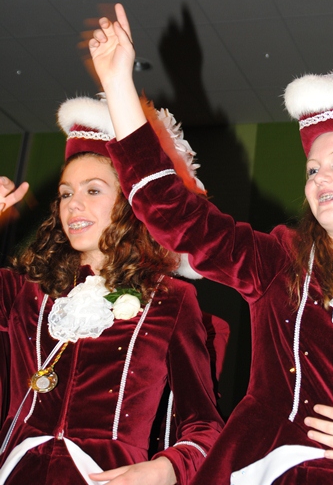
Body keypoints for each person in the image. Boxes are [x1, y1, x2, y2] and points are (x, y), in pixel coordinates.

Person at [88, 3, 333, 485]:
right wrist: (119, 84)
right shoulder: (279, 261)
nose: (319, 177)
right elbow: (174, 213)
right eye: (312, 169)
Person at [0, 93, 224, 485]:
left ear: (129, 202)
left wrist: (166, 468)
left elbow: (204, 426)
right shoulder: (24, 289)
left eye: (93, 190)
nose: (73, 205)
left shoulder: (170, 300)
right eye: (66, 193)